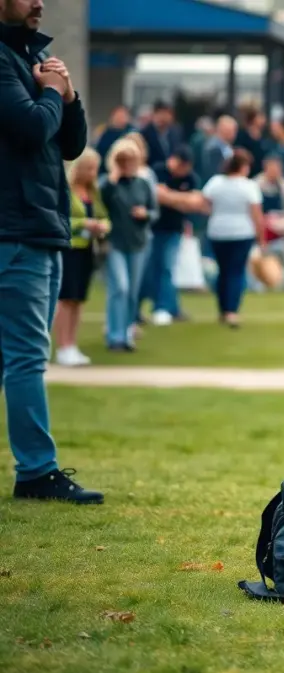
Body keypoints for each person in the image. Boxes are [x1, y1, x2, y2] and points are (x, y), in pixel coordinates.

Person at [0, 0, 99, 503]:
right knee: (24, 359)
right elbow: (31, 128)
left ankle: (36, 469)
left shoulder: (26, 58)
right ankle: (37, 471)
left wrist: (69, 95)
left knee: (17, 358)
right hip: (16, 231)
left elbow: (69, 144)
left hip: (35, 227)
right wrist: (52, 94)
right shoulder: (2, 60)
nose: (39, 1)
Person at [54, 148, 109, 366]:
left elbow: (104, 216)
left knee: (78, 299)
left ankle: (73, 344)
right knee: (66, 298)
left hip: (87, 248)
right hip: (69, 248)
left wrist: (102, 226)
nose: (93, 173)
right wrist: (83, 224)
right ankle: (62, 346)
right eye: (89, 168)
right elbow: (61, 218)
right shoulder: (65, 191)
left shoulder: (94, 192)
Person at [101, 138, 157, 351]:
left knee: (133, 292)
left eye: (131, 160)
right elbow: (102, 200)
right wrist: (113, 178)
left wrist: (146, 214)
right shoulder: (108, 183)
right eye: (123, 160)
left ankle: (126, 333)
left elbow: (154, 211)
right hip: (115, 242)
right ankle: (114, 335)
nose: (128, 165)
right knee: (120, 288)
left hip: (138, 243)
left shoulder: (142, 183)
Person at [200, 148, 264, 327]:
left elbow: (204, 204)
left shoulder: (215, 183)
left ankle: (222, 308)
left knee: (223, 270)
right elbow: (256, 214)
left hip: (218, 231)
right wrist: (261, 236)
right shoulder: (249, 186)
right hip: (241, 232)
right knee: (236, 271)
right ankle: (232, 310)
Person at [145, 145, 202, 326]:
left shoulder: (190, 177)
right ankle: (144, 309)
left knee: (167, 267)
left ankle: (164, 307)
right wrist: (181, 199)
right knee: (150, 269)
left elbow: (195, 202)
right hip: (152, 228)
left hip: (174, 229)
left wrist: (170, 198)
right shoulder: (158, 171)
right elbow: (157, 195)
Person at [140, 100, 181, 169]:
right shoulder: (145, 134)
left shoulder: (175, 132)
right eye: (160, 113)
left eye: (166, 114)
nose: (163, 117)